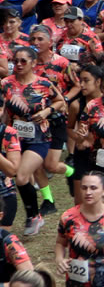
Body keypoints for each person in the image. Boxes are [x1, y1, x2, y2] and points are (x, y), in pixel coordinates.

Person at [2, 45, 65, 236]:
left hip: (39, 139)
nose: (19, 64)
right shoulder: (5, 84)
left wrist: (47, 111)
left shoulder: (44, 84)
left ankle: (34, 215)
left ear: (33, 63)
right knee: (13, 178)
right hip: (13, 138)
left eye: (23, 61)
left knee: (21, 176)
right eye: (15, 61)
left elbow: (60, 101)